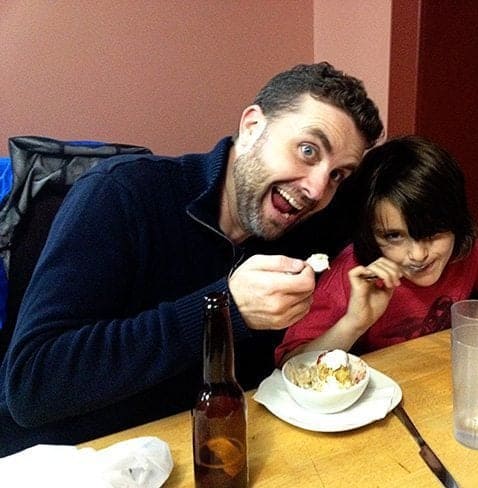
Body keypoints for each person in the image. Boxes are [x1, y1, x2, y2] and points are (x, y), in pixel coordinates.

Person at [0, 62, 383, 456]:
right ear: (252, 127)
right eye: (307, 150)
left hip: (207, 450)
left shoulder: (301, 230)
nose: (317, 189)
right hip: (74, 458)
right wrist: (223, 311)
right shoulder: (121, 195)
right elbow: (31, 385)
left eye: (337, 174)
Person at [275, 135, 478, 365]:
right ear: (369, 232)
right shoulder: (350, 277)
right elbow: (291, 363)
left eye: (432, 233)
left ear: (457, 223)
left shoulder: (464, 253)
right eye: (394, 236)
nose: (418, 255)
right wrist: (354, 322)